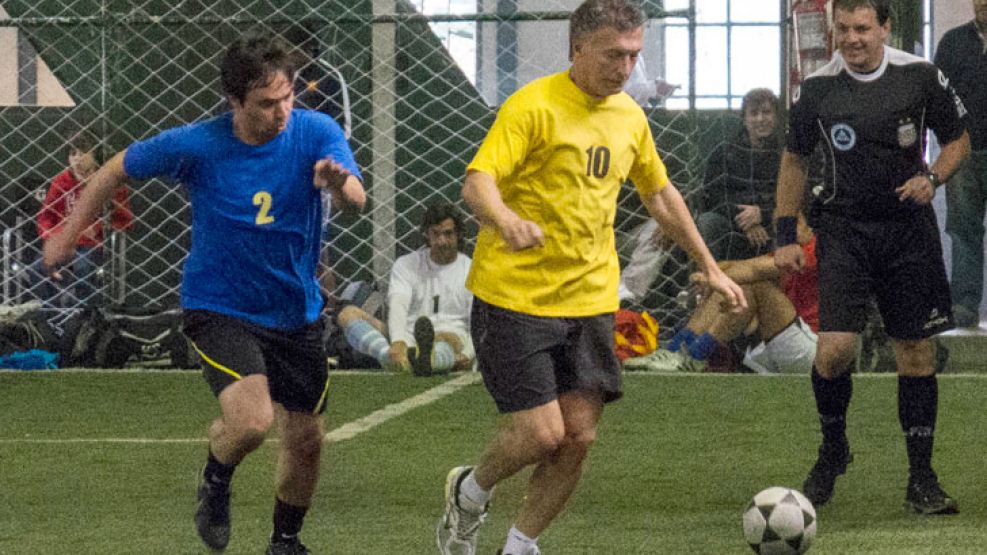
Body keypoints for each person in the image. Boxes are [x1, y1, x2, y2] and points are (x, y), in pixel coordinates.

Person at [435, 2, 746, 554]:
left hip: (590, 300)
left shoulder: (629, 116)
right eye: (613, 55)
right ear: (576, 49)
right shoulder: (531, 106)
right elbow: (477, 182)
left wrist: (710, 265)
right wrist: (505, 220)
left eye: (634, 55)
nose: (625, 67)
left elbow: (659, 194)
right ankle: (470, 490)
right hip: (515, 297)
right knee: (540, 434)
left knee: (577, 437)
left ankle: (520, 545)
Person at [43, 34, 366, 554]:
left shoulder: (315, 131)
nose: (282, 112)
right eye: (266, 103)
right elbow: (115, 168)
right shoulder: (199, 144)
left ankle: (285, 541)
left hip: (294, 310)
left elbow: (356, 196)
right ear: (234, 102)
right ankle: (216, 477)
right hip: (220, 307)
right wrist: (67, 233)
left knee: (306, 439)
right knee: (252, 422)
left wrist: (337, 183)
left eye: (287, 98)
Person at [774, 0, 970, 515]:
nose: (852, 39)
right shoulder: (817, 88)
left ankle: (922, 478)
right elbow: (793, 159)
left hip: (908, 231)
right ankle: (833, 450)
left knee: (916, 354)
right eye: (843, 29)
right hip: (843, 230)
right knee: (834, 352)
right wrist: (783, 233)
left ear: (886, 28)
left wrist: (932, 179)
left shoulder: (921, 76)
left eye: (863, 28)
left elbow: (958, 141)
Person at [625, 215, 817, 374]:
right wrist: (713, 275)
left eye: (793, 224)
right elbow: (738, 266)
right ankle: (675, 351)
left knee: (751, 284)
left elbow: (752, 270)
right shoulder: (786, 252)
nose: (782, 231)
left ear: (810, 227)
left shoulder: (813, 250)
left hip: (815, 352)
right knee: (730, 283)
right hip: (777, 346)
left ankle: (694, 356)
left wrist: (712, 278)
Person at [337, 201, 474, 375]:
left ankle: (430, 360)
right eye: (435, 234)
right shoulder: (406, 264)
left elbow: (478, 323)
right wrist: (398, 341)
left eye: (448, 234)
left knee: (446, 338)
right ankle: (395, 359)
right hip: (406, 336)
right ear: (427, 234)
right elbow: (398, 305)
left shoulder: (471, 270)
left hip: (451, 337)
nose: (441, 241)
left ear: (459, 234)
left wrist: (468, 354)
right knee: (347, 314)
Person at [28, 131, 133, 307]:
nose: (76, 158)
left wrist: (98, 228)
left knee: (83, 268)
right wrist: (54, 237)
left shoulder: (110, 182)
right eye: (72, 153)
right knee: (37, 269)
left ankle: (87, 317)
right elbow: (45, 218)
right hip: (64, 243)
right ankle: (52, 316)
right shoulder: (61, 181)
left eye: (82, 152)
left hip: (93, 246)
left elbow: (125, 220)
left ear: (95, 155)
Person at [934, 0, 987, 328]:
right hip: (965, 154)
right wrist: (946, 143)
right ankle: (965, 304)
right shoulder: (952, 43)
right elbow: (937, 95)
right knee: (964, 230)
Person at [696, 88, 783, 261]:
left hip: (771, 224)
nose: (760, 119)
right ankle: (707, 282)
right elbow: (713, 196)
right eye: (754, 113)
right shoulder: (724, 152)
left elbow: (791, 196)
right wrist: (745, 221)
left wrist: (762, 213)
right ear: (744, 119)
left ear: (775, 117)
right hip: (732, 225)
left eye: (766, 112)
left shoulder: (785, 155)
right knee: (708, 222)